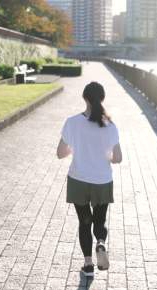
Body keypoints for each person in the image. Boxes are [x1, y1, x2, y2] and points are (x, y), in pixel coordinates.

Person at [56, 82, 122, 277]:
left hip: (79, 179)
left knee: (84, 222)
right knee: (99, 221)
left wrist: (74, 147)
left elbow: (60, 153)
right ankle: (100, 242)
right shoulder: (110, 125)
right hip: (102, 180)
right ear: (102, 99)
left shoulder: (72, 122)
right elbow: (117, 158)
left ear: (84, 98)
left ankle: (88, 265)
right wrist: (105, 155)